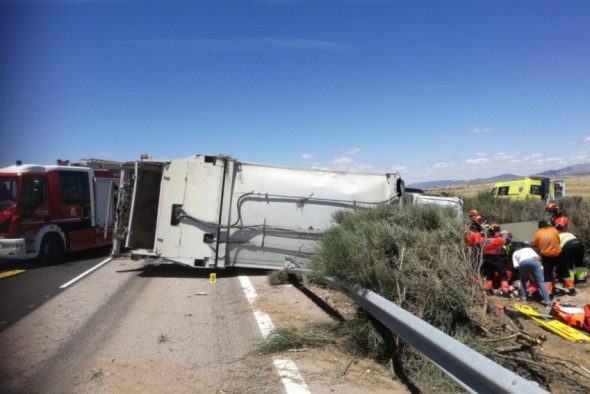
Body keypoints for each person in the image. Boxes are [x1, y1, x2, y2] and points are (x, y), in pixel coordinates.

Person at [531, 221, 575, 296]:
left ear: (539, 227)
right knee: (564, 271)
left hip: (546, 256)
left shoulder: (538, 233)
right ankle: (571, 289)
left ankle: (549, 292)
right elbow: (557, 240)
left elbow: (535, 244)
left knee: (547, 274)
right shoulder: (554, 231)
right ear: (547, 225)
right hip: (558, 254)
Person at [482, 224, 509, 295]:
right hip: (497, 259)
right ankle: (505, 291)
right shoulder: (498, 239)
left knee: (489, 275)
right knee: (503, 274)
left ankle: (488, 290)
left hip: (487, 259)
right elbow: (506, 241)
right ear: (494, 231)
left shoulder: (484, 240)